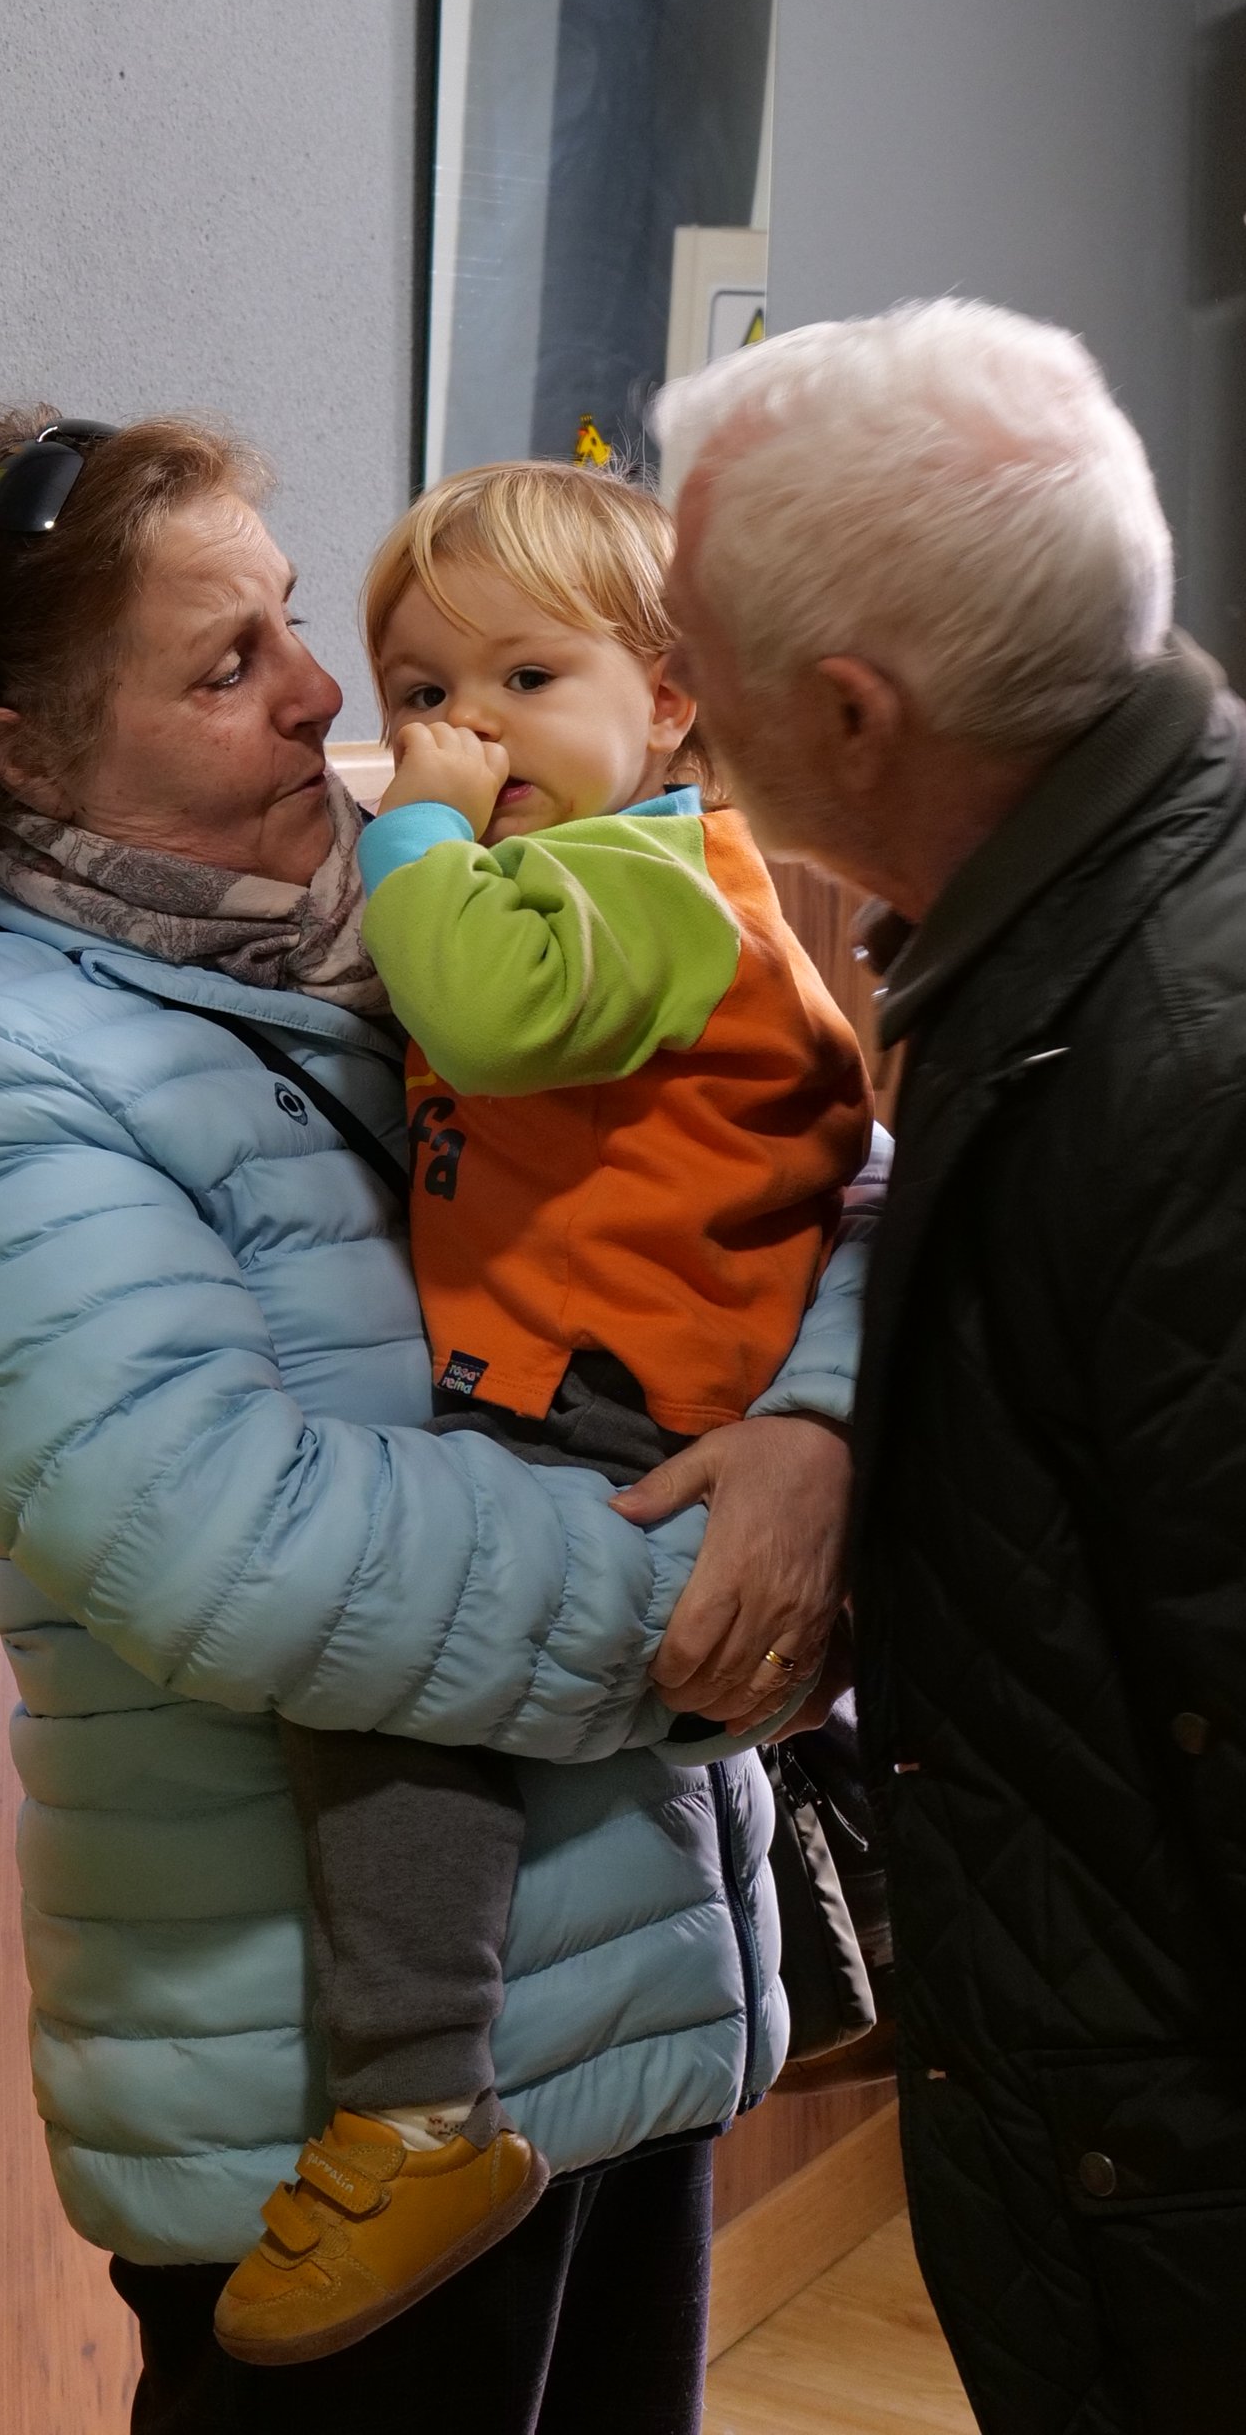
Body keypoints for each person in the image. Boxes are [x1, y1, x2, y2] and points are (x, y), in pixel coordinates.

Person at [0, 409, 872, 2434]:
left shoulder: (414, 916)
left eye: (292, 623)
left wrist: (814, 1435)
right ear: (24, 760)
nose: (324, 700)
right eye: (227, 670)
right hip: (318, 2114)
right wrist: (741, 1602)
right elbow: (253, 1561)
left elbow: (834, 1174)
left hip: (622, 2013)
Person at [654, 296, 1246, 2435]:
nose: (668, 707)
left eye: (699, 660)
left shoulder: (1232, 1077)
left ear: (856, 715)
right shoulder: (1087, 925)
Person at [214, 461, 872, 2367]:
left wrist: (412, 829)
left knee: (378, 1694)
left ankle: (417, 2104)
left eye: (522, 682)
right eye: (419, 692)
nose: (459, 733)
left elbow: (490, 1020)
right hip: (594, 1370)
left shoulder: (648, 879)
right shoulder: (586, 867)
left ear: (671, 702)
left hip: (622, 1397)